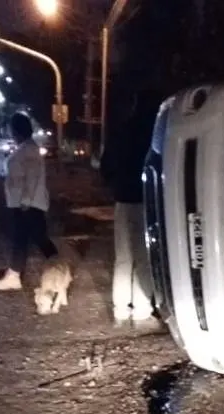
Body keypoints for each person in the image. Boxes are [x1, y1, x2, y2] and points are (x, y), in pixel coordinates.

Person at [101, 91, 160, 323]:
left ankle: (120, 310)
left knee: (123, 258)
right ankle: (143, 308)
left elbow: (105, 168)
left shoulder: (119, 133)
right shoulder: (152, 136)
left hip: (122, 201)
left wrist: (115, 185)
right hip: (145, 202)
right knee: (143, 257)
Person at [0, 112, 58, 291]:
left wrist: (25, 202)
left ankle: (18, 276)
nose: (10, 132)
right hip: (24, 203)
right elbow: (19, 175)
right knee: (30, 238)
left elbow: (31, 178)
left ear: (17, 130)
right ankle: (18, 275)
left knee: (29, 239)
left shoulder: (28, 150)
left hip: (27, 204)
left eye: (11, 129)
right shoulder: (26, 148)